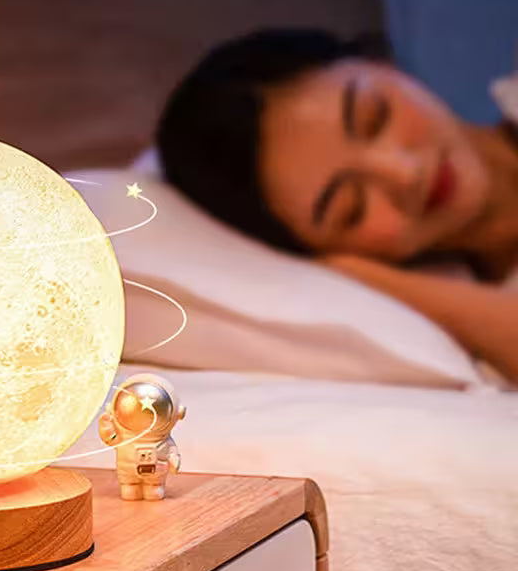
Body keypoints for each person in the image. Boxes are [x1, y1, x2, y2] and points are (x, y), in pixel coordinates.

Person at [156, 29, 518, 383]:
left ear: (382, 63)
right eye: (352, 208)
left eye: (375, 117)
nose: (405, 174)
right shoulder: (482, 350)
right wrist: (364, 276)